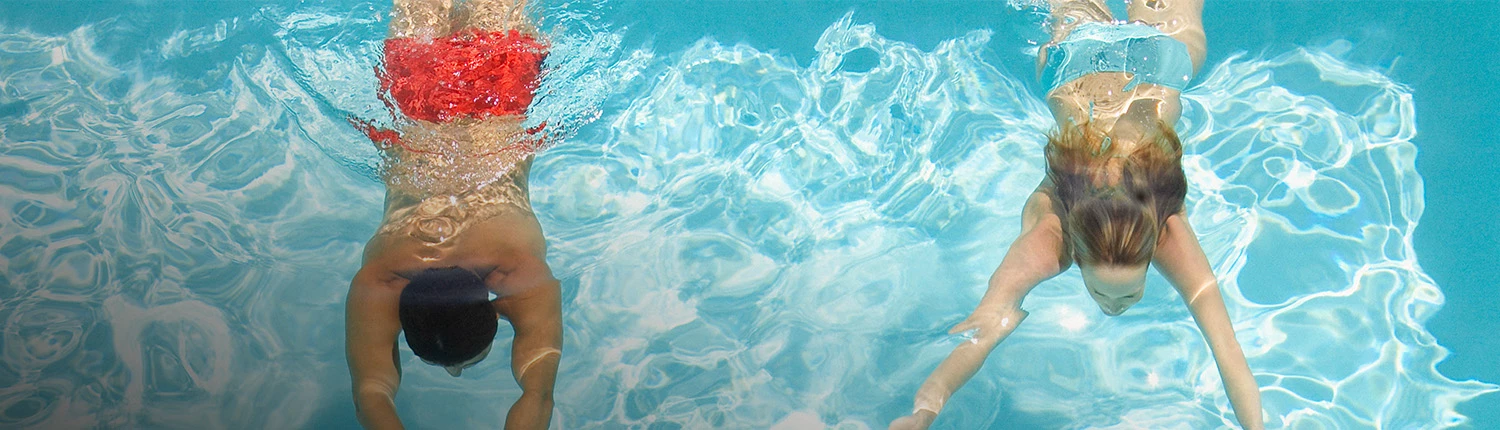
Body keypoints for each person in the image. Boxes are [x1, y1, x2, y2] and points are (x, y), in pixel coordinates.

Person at [890, 0, 1263, 428]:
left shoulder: (1167, 233)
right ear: (1077, 253)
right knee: (1178, 42)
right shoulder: (1049, 237)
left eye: (1120, 295)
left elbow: (1228, 352)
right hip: (1142, 62)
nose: (1114, 307)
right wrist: (924, 411)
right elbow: (986, 329)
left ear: (1152, 248)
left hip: (1080, 66)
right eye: (1111, 295)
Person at [344, 0, 561, 429]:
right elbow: (372, 394)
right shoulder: (382, 278)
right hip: (418, 103)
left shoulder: (521, 275)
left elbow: (538, 393)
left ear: (497, 309)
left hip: (501, 100)